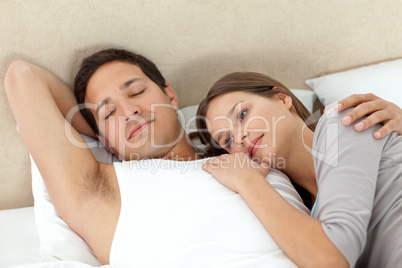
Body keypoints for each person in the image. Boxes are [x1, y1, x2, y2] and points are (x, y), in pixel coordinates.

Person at [5, 49, 401, 266]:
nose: (128, 110)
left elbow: (357, 199)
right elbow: (23, 77)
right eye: (109, 112)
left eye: (137, 93)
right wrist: (109, 133)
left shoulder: (252, 156)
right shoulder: (102, 188)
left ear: (170, 95)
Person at [196, 71, 402, 268]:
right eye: (228, 140)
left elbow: (331, 260)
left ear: (282, 99)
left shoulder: (342, 121)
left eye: (242, 114)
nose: (240, 136)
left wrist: (247, 181)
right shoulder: (306, 215)